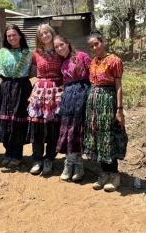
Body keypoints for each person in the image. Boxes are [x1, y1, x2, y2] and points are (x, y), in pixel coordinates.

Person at [84, 31, 128, 192]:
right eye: (91, 46)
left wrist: (119, 109)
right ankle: (104, 173)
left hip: (108, 103)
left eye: (96, 44)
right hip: (93, 106)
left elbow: (118, 86)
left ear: (103, 42)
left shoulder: (114, 61)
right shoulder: (93, 62)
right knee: (98, 137)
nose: (94, 48)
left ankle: (114, 175)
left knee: (109, 136)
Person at [0, 25, 33, 168]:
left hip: (22, 88)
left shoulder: (28, 53)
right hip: (6, 88)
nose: (11, 38)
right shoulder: (1, 52)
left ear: (20, 36)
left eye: (14, 35)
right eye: (9, 36)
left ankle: (17, 155)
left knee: (18, 121)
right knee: (5, 121)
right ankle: (8, 153)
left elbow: (36, 71)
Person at [54, 35, 91, 182]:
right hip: (68, 97)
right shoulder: (62, 63)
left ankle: (78, 165)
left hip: (82, 94)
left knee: (77, 129)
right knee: (68, 128)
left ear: (68, 43)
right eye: (56, 47)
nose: (59, 48)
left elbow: (92, 75)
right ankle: (69, 164)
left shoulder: (82, 56)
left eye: (61, 45)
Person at [27, 24, 64, 175]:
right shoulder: (36, 53)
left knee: (53, 126)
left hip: (57, 91)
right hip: (40, 91)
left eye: (46, 32)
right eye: (41, 34)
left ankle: (49, 159)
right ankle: (37, 159)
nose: (44, 36)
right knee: (37, 127)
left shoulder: (60, 50)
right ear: (39, 38)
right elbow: (31, 72)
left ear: (51, 33)